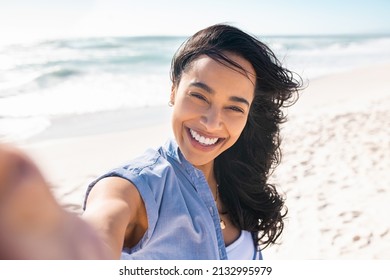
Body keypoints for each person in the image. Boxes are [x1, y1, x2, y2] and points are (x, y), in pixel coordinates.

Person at [0, 24, 301, 260]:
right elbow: (100, 231)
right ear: (173, 92)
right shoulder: (135, 187)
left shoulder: (238, 175)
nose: (212, 122)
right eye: (199, 96)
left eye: (234, 107)